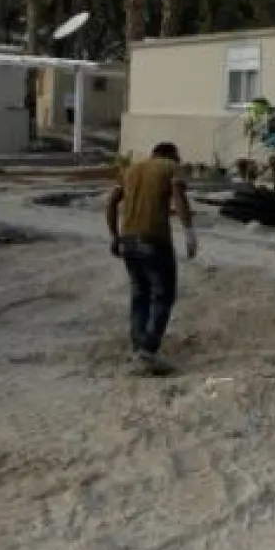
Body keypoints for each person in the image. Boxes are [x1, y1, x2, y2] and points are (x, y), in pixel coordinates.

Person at [105, 142, 198, 375]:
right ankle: (148, 349)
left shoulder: (131, 170)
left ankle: (139, 349)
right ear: (171, 156)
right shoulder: (170, 167)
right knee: (163, 294)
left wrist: (115, 236)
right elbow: (179, 197)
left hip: (128, 240)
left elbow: (112, 201)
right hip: (154, 240)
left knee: (140, 295)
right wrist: (189, 232)